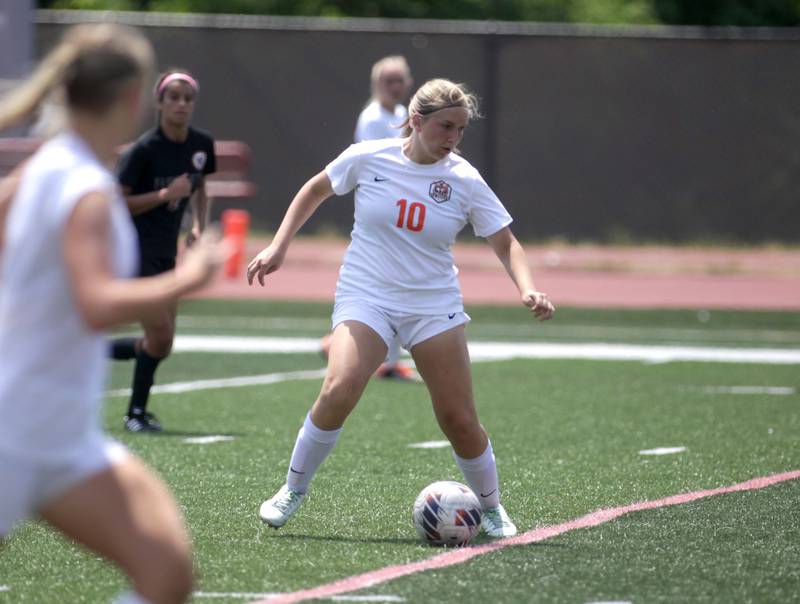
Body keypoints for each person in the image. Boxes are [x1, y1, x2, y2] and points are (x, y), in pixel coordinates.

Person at [247, 78, 555, 539]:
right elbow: (314, 189)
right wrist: (278, 246)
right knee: (339, 387)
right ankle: (292, 489)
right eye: (445, 127)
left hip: (433, 306)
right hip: (366, 294)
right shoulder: (368, 158)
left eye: (461, 129)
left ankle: (492, 509)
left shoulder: (464, 179)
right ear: (416, 121)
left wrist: (528, 288)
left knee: (458, 420)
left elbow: (505, 241)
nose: (453, 138)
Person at [0, 24, 224, 604]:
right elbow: (94, 303)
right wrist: (189, 278)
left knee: (166, 568)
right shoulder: (87, 190)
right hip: (19, 429)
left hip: (60, 436)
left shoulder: (49, 164)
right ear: (131, 99)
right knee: (164, 571)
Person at [109, 68, 217, 433]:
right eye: (173, 97)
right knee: (161, 336)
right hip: (135, 251)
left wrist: (198, 225)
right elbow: (116, 203)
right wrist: (164, 195)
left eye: (188, 99)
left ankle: (88, 353)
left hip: (166, 252)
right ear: (159, 102)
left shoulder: (200, 145)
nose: (181, 105)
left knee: (161, 342)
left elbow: (200, 187)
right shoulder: (143, 150)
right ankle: (134, 414)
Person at [321, 55, 420, 382]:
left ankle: (378, 355)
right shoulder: (373, 118)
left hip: (403, 207)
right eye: (388, 80)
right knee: (383, 278)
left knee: (398, 277)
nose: (394, 86)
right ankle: (368, 352)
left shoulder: (404, 114)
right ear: (377, 84)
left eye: (399, 80)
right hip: (383, 206)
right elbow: (382, 163)